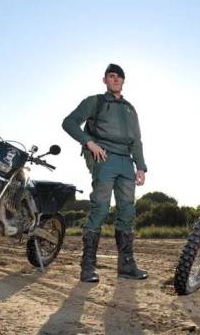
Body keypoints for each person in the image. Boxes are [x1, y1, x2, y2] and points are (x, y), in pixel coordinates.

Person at [62, 63, 148, 282]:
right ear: (105, 80)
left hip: (126, 163)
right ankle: (88, 266)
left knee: (127, 211)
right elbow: (69, 122)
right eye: (111, 76)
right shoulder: (95, 101)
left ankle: (127, 266)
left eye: (119, 76)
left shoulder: (130, 108)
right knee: (100, 207)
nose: (115, 79)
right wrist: (88, 142)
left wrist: (140, 167)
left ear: (123, 81)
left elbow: (136, 140)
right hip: (103, 158)